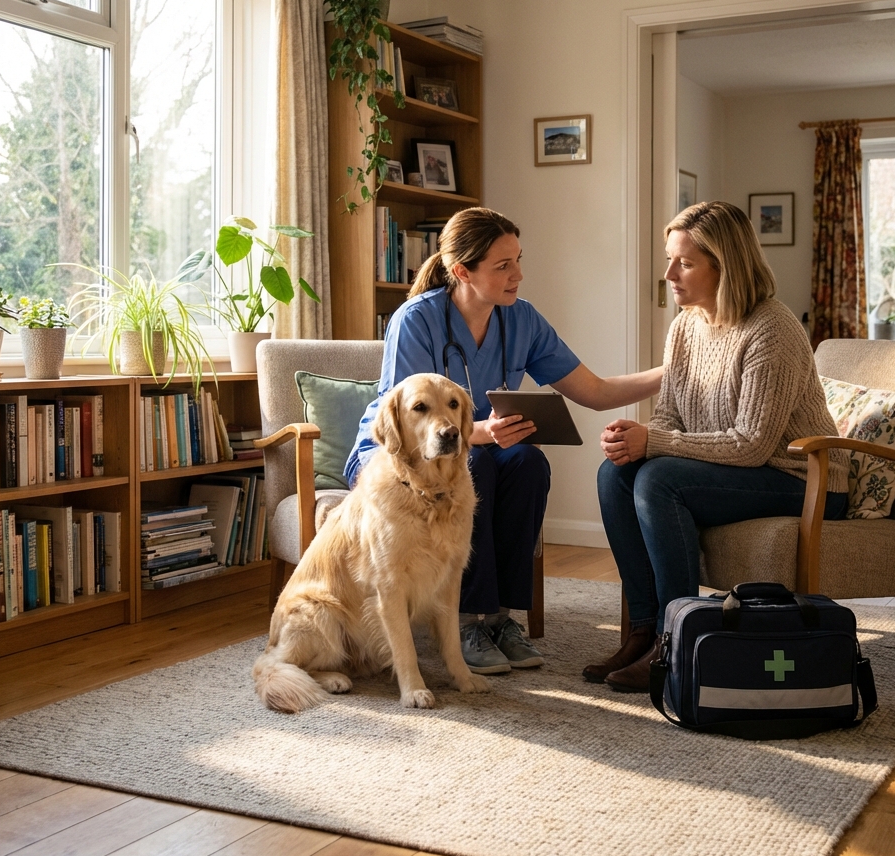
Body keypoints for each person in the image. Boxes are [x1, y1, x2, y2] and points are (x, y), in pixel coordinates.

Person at [345, 207, 662, 674]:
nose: (518, 275)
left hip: (476, 450)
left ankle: (500, 617)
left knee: (528, 462)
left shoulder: (522, 320)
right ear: (461, 272)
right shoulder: (417, 319)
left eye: (517, 260)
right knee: (481, 465)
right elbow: (405, 428)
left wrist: (672, 372)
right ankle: (469, 618)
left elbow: (594, 392)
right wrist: (482, 433)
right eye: (502, 266)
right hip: (397, 458)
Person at [587, 201, 849, 692]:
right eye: (670, 259)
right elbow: (668, 417)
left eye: (683, 262)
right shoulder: (685, 326)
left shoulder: (772, 328)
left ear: (724, 266)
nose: (669, 273)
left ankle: (677, 640)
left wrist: (655, 444)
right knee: (615, 473)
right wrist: (636, 439)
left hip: (802, 479)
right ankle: (644, 631)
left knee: (659, 478)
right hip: (741, 471)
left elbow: (751, 445)